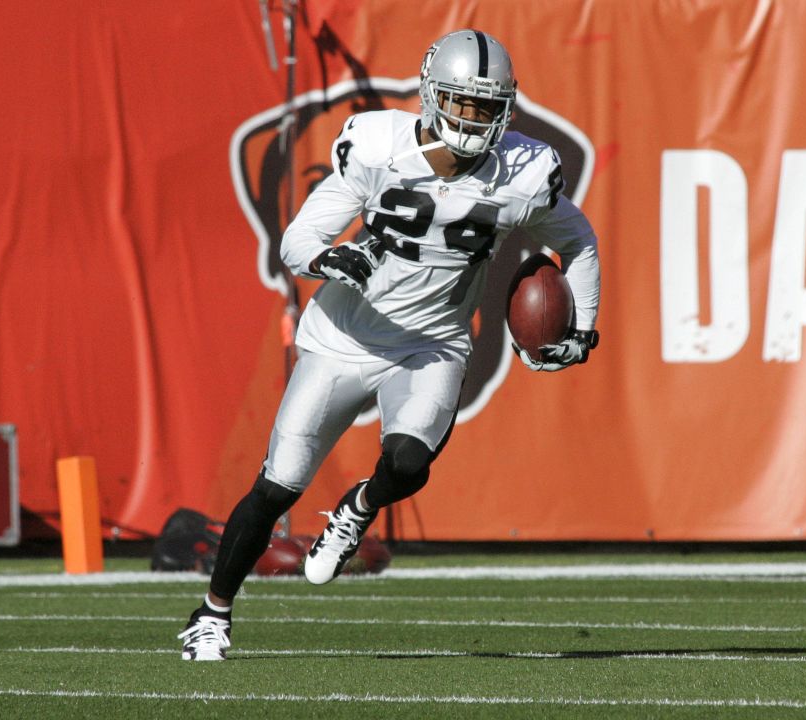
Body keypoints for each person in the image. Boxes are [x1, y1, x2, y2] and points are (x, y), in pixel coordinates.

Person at [179, 28, 601, 661]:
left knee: (408, 460)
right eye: (462, 102)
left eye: (487, 107)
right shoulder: (375, 146)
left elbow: (579, 239)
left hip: (431, 345)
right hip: (342, 340)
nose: (473, 119)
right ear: (431, 96)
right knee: (279, 486)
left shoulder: (523, 173)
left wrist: (580, 328)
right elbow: (296, 241)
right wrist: (330, 259)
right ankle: (212, 614)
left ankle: (359, 507)